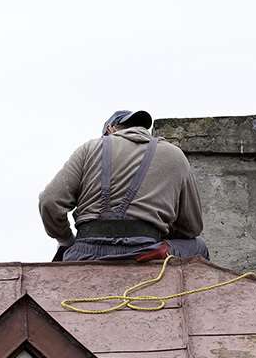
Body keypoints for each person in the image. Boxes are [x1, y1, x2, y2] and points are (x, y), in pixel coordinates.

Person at [39, 109, 210, 262]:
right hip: (144, 251)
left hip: (85, 251)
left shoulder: (89, 149)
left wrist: (67, 240)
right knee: (199, 246)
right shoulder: (175, 155)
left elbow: (50, 201)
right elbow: (192, 227)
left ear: (110, 129)